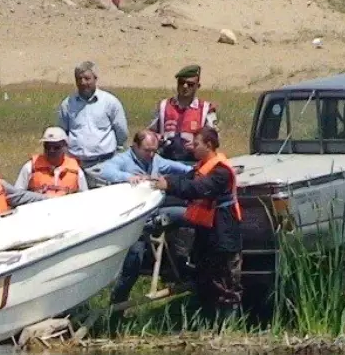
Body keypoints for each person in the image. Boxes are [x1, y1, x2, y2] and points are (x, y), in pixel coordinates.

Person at [152, 126, 242, 321]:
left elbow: (198, 188)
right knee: (206, 281)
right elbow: (184, 179)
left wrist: (170, 185)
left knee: (226, 283)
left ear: (208, 145)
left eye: (196, 143)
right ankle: (209, 323)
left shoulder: (221, 172)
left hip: (223, 233)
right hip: (207, 233)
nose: (191, 147)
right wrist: (160, 180)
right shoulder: (201, 167)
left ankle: (228, 328)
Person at [102, 131, 194, 305]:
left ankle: (190, 266)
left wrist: (197, 171)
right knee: (133, 263)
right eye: (147, 150)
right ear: (135, 147)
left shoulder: (156, 160)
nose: (151, 155)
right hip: (134, 220)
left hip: (156, 213)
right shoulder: (123, 160)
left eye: (154, 150)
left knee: (189, 214)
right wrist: (128, 178)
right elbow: (106, 171)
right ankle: (117, 305)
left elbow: (178, 167)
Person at [55, 60, 128, 176]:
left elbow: (121, 132)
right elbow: (61, 133)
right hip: (76, 165)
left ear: (95, 78)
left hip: (104, 163)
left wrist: (116, 155)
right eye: (79, 79)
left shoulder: (110, 102)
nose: (82, 82)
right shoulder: (67, 104)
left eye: (87, 78)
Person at [149, 64, 218, 163]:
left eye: (190, 84)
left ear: (198, 86)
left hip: (193, 163)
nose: (185, 86)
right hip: (165, 162)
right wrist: (157, 139)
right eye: (181, 83)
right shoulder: (163, 106)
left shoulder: (206, 109)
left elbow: (214, 140)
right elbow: (151, 132)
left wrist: (197, 145)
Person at [15, 127, 89, 196]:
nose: (51, 151)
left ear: (65, 146)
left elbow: (85, 198)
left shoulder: (77, 170)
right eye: (47, 147)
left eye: (56, 147)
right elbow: (17, 195)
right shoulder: (30, 167)